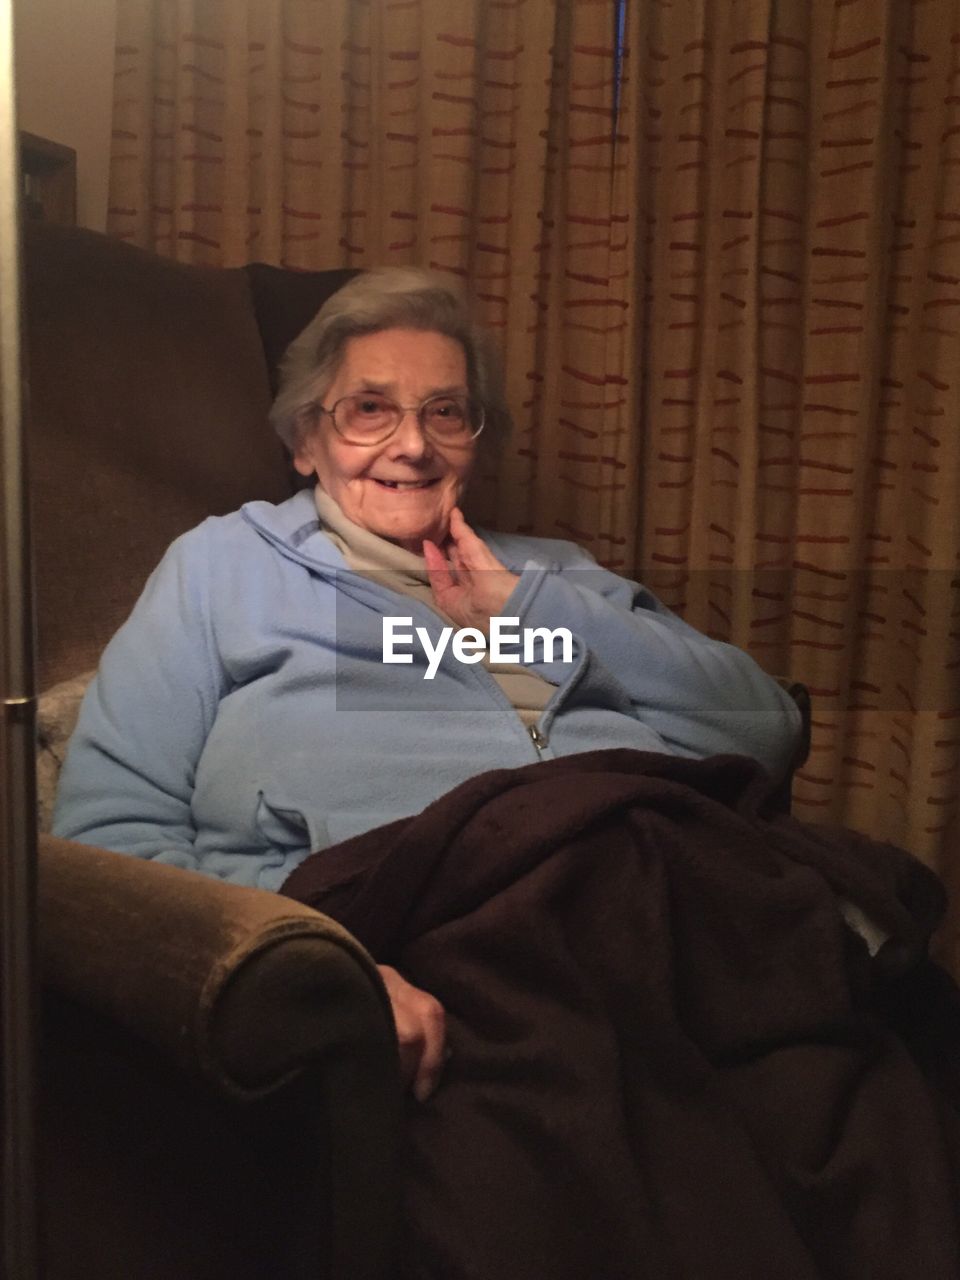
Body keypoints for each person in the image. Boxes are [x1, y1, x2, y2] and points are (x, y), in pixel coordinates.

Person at [53, 266, 802, 1103]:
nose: (413, 444)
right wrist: (301, 961)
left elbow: (764, 733)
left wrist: (528, 612)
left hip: (675, 920)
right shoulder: (225, 566)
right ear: (305, 441)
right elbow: (108, 830)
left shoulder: (555, 574)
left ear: (475, 440)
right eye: (369, 409)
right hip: (428, 955)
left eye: (445, 411)